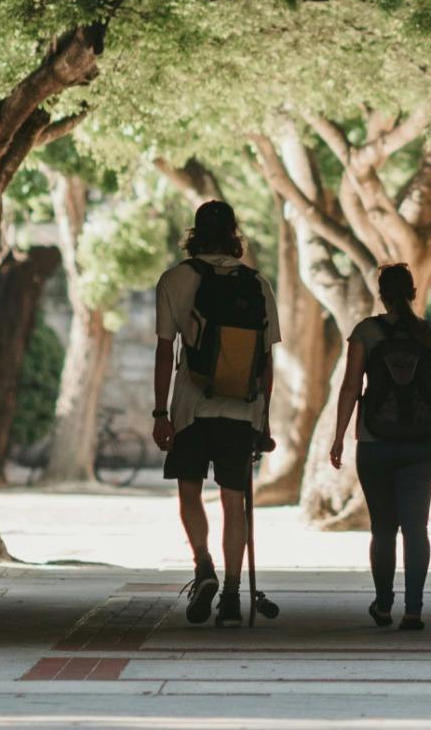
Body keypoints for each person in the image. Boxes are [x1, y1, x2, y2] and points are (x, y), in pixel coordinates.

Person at [151, 199, 280, 627]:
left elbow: (164, 348)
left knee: (189, 491)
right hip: (242, 410)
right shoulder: (257, 283)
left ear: (194, 234)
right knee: (235, 500)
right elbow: (266, 361)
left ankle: (203, 565)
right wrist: (263, 420)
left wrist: (159, 412)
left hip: (191, 407)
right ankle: (230, 592)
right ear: (233, 235)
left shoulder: (174, 280)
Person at [329, 264, 431, 630]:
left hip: (375, 443)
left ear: (381, 294)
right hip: (422, 445)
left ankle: (384, 604)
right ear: (413, 292)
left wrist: (340, 436)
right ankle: (415, 609)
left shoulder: (366, 332)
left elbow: (350, 388)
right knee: (416, 528)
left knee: (383, 528)